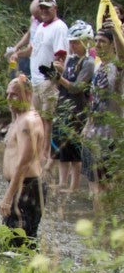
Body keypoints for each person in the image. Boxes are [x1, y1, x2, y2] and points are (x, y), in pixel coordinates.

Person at [0, 75, 45, 248]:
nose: (9, 99)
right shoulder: (21, 117)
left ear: (29, 94)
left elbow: (24, 162)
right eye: (8, 95)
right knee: (21, 244)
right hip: (23, 187)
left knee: (15, 246)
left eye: (15, 95)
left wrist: (8, 198)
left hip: (26, 189)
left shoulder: (28, 122)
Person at [50, 21, 95, 194]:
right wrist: (55, 74)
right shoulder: (71, 60)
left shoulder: (88, 63)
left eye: (75, 42)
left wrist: (59, 77)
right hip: (63, 106)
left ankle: (74, 185)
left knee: (74, 148)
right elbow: (62, 85)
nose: (72, 45)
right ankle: (63, 182)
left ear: (85, 42)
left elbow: (77, 87)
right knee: (62, 147)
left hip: (78, 110)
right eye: (71, 42)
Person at [81, 30, 121, 215]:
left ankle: (107, 230)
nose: (97, 44)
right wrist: (87, 125)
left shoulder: (117, 68)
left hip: (111, 137)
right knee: (95, 187)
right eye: (95, 41)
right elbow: (93, 100)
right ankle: (101, 228)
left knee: (109, 187)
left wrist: (116, 29)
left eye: (102, 41)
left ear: (113, 44)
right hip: (93, 134)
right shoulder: (98, 68)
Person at [26, 0, 68, 167]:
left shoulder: (59, 27)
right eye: (42, 8)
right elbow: (33, 50)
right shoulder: (41, 27)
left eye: (47, 8)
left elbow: (61, 57)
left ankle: (45, 154)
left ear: (55, 9)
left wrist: (54, 72)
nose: (44, 10)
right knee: (36, 117)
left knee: (46, 118)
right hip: (35, 79)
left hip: (47, 79)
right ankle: (35, 151)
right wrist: (15, 52)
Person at [7, 0, 41, 78]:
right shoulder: (33, 19)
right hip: (27, 55)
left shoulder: (44, 26)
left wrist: (18, 54)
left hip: (35, 58)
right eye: (33, 15)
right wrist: (16, 47)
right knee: (14, 74)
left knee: (25, 81)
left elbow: (32, 50)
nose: (35, 18)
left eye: (37, 15)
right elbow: (29, 34)